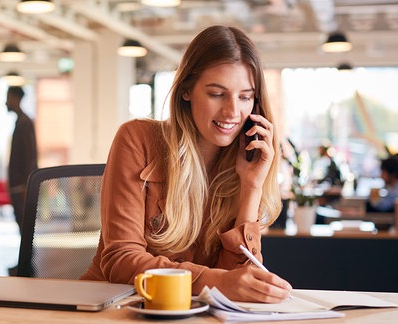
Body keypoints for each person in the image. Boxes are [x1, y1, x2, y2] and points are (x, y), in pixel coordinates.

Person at [81, 25, 292, 303]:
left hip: (189, 313)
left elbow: (234, 283)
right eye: (217, 94)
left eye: (245, 97)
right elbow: (121, 261)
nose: (232, 112)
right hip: (114, 307)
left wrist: (251, 185)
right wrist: (212, 280)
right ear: (186, 91)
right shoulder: (138, 139)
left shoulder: (239, 165)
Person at [5, 86, 38, 233]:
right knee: (22, 222)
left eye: (8, 98)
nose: (6, 102)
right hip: (20, 184)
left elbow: (29, 155)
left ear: (15, 98)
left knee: (24, 222)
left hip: (21, 185)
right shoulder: (21, 122)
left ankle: (26, 256)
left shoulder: (24, 123)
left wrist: (26, 184)